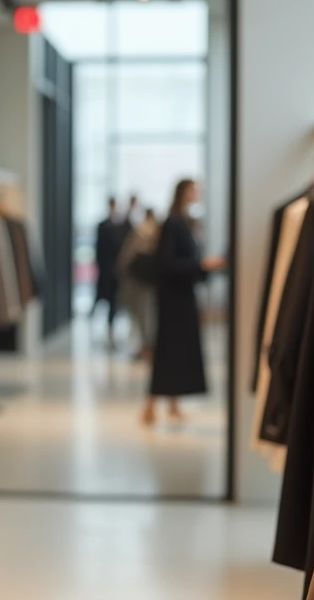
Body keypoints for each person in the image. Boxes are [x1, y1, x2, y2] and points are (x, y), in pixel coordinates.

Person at [143, 179, 225, 425]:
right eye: (194, 190)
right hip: (173, 301)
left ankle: (173, 404)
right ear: (183, 193)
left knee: (178, 353)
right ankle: (150, 406)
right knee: (169, 352)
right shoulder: (173, 223)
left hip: (182, 297)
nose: (197, 194)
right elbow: (167, 264)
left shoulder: (184, 223)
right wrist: (201, 265)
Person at [94, 195, 136, 349]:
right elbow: (98, 250)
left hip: (117, 272)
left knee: (115, 302)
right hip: (106, 271)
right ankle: (105, 330)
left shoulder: (120, 226)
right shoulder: (103, 226)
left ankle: (112, 331)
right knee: (103, 301)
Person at [118, 208, 159, 361]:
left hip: (142, 280)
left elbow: (127, 254)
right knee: (148, 314)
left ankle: (147, 347)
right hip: (149, 281)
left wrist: (122, 269)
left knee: (144, 315)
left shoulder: (141, 230)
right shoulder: (156, 230)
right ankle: (148, 346)